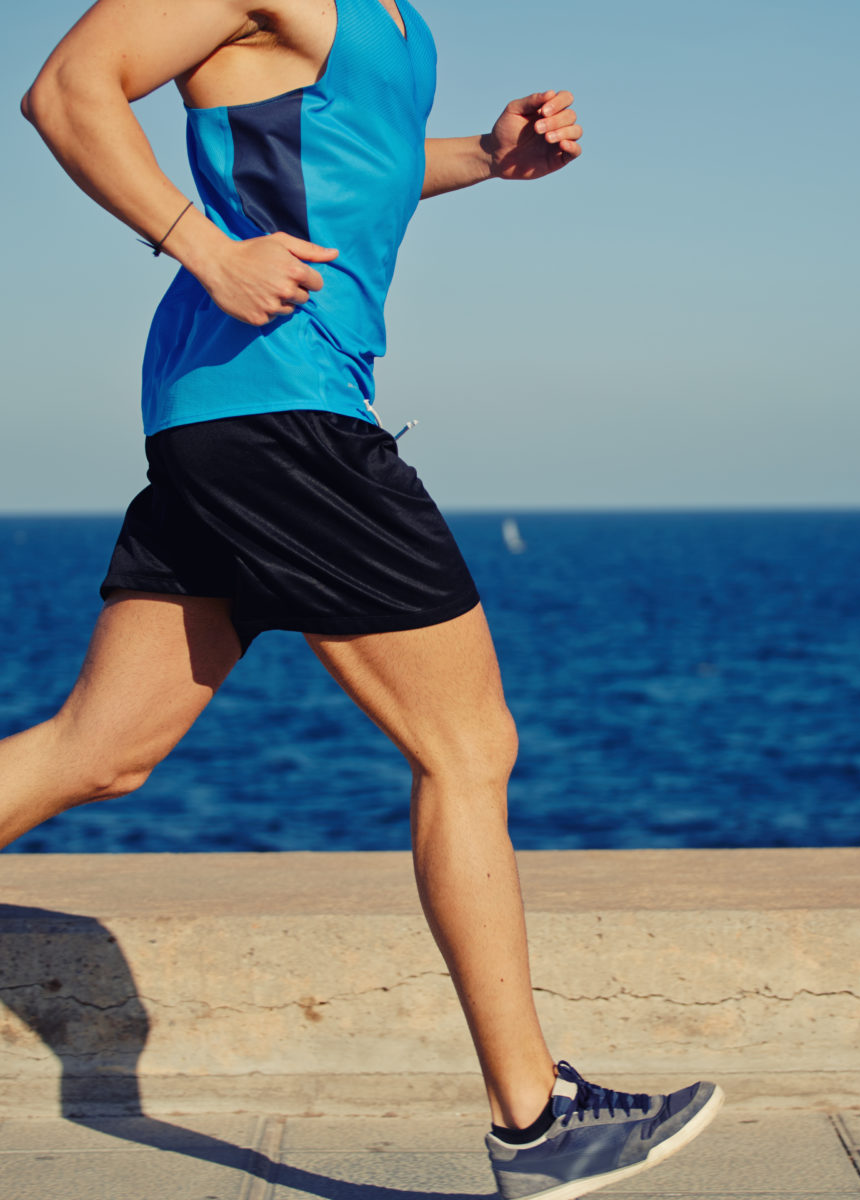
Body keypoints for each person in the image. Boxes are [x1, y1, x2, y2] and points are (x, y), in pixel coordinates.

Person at [11, 1, 723, 1196]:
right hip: (281, 412)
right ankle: (538, 1118)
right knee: (467, 746)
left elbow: (356, 166)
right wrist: (203, 245)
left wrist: (490, 160)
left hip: (236, 416)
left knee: (102, 752)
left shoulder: (397, 23)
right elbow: (69, 88)